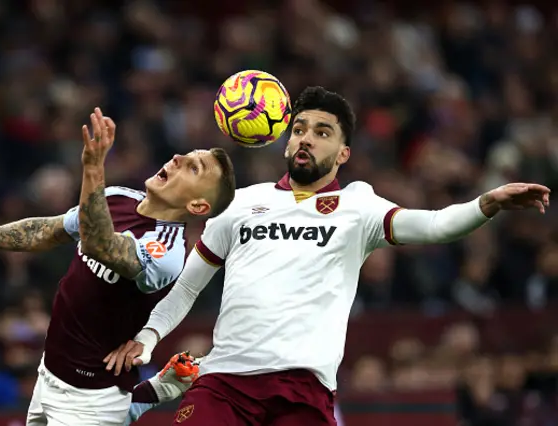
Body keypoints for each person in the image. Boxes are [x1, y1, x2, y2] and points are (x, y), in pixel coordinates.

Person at [104, 86, 551, 426]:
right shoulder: (239, 203)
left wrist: (487, 203)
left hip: (304, 392)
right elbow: (186, 286)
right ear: (284, 142)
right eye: (299, 129)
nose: (306, 139)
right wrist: (147, 337)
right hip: (224, 383)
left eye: (322, 133)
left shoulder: (361, 207)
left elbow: (435, 225)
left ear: (344, 152)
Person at [0, 107, 236, 426]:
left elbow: (100, 245)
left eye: (194, 168)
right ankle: (148, 396)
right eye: (185, 155)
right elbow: (47, 231)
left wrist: (93, 168)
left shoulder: (168, 251)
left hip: (92, 394)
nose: (177, 158)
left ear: (197, 205)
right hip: (51, 372)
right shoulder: (119, 198)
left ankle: (144, 398)